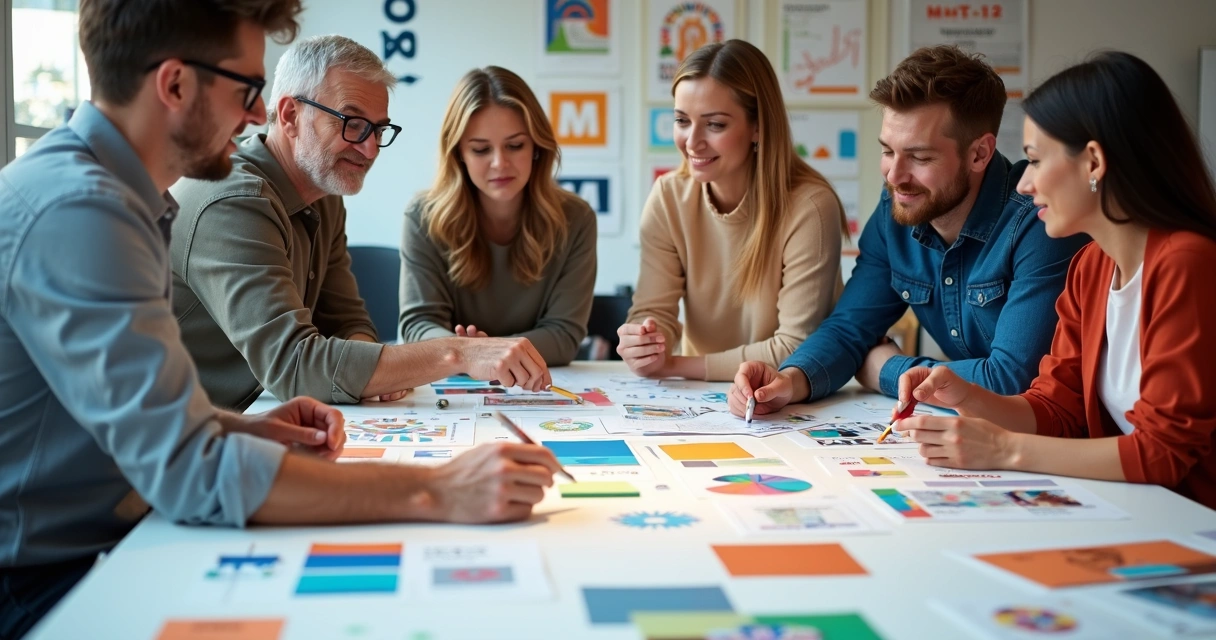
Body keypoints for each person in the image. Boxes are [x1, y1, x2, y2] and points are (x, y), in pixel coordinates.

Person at [0, 5, 558, 637]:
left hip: (111, 535)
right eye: (247, 89)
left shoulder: (116, 196)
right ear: (175, 84)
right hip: (45, 579)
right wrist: (439, 489)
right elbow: (188, 469)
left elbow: (135, 415)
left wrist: (238, 426)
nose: (258, 114)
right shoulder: (83, 212)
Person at [891, 52, 1216, 510]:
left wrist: (1003, 448)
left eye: (1036, 161)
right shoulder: (1090, 267)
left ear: (1094, 162)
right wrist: (969, 397)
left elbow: (1162, 453)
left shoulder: (1187, 263)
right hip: (1140, 510)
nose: (1025, 184)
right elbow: (1058, 410)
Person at [172, 38, 552, 414]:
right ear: (290, 115)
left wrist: (377, 375)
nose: (369, 149)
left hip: (227, 421)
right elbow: (295, 365)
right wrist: (460, 353)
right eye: (352, 124)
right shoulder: (234, 201)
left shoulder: (323, 192)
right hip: (163, 438)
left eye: (378, 130)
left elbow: (345, 319)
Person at [728, 45, 1090, 417]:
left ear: (979, 154)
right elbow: (850, 327)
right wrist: (789, 381)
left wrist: (885, 369)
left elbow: (1012, 380)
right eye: (888, 151)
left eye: (919, 157)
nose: (895, 176)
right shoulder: (897, 209)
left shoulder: (1040, 221)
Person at [618, 39, 847, 382]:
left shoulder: (810, 207)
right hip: (700, 395)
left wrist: (673, 366)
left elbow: (797, 347)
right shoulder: (668, 197)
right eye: (682, 120)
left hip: (789, 395)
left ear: (758, 126)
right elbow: (654, 310)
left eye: (715, 125)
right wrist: (646, 340)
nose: (692, 142)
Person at [399, 66, 597, 367]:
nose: (499, 163)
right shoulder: (422, 217)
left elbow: (564, 335)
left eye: (515, 146)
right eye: (480, 150)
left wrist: (485, 353)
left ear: (536, 146)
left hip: (535, 382)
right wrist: (471, 355)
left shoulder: (576, 219)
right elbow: (417, 326)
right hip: (452, 380)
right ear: (459, 154)